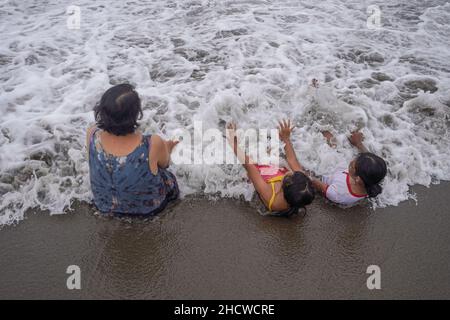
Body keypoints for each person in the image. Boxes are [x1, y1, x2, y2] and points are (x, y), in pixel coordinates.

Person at [86, 83, 179, 216]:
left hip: (103, 206)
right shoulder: (151, 143)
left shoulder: (92, 134)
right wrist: (168, 147)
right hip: (147, 210)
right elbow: (165, 164)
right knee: (166, 175)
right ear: (136, 114)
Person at [226, 120, 315, 217]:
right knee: (271, 150)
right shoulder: (300, 190)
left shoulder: (272, 200)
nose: (293, 172)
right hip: (276, 176)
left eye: (292, 175)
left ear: (284, 186)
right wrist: (285, 138)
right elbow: (292, 160)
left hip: (262, 177)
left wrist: (233, 143)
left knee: (252, 158)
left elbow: (248, 165)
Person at [311, 130, 387, 206]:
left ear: (358, 179)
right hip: (339, 165)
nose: (352, 161)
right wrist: (358, 144)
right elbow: (369, 159)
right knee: (326, 132)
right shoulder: (373, 177)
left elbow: (313, 181)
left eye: (352, 165)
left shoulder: (338, 193)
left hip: (325, 171)